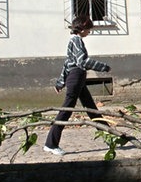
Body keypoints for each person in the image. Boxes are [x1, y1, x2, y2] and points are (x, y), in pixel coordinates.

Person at [44, 15, 111, 156]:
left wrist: (60, 83)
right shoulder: (77, 41)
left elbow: (67, 64)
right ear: (81, 29)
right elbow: (83, 62)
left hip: (77, 78)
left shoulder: (73, 41)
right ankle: (50, 144)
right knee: (66, 110)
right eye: (88, 29)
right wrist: (103, 67)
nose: (89, 32)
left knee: (92, 109)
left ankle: (111, 138)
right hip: (76, 77)